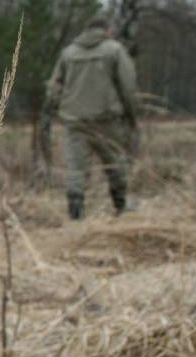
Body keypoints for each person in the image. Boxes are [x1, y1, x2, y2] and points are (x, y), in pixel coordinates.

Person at [42, 15, 140, 220]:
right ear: (107, 30)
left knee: (76, 168)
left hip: (74, 121)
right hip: (107, 120)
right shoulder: (114, 50)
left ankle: (76, 215)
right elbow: (128, 87)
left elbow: (54, 88)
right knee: (115, 163)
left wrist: (55, 110)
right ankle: (120, 206)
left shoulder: (68, 53)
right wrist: (132, 116)